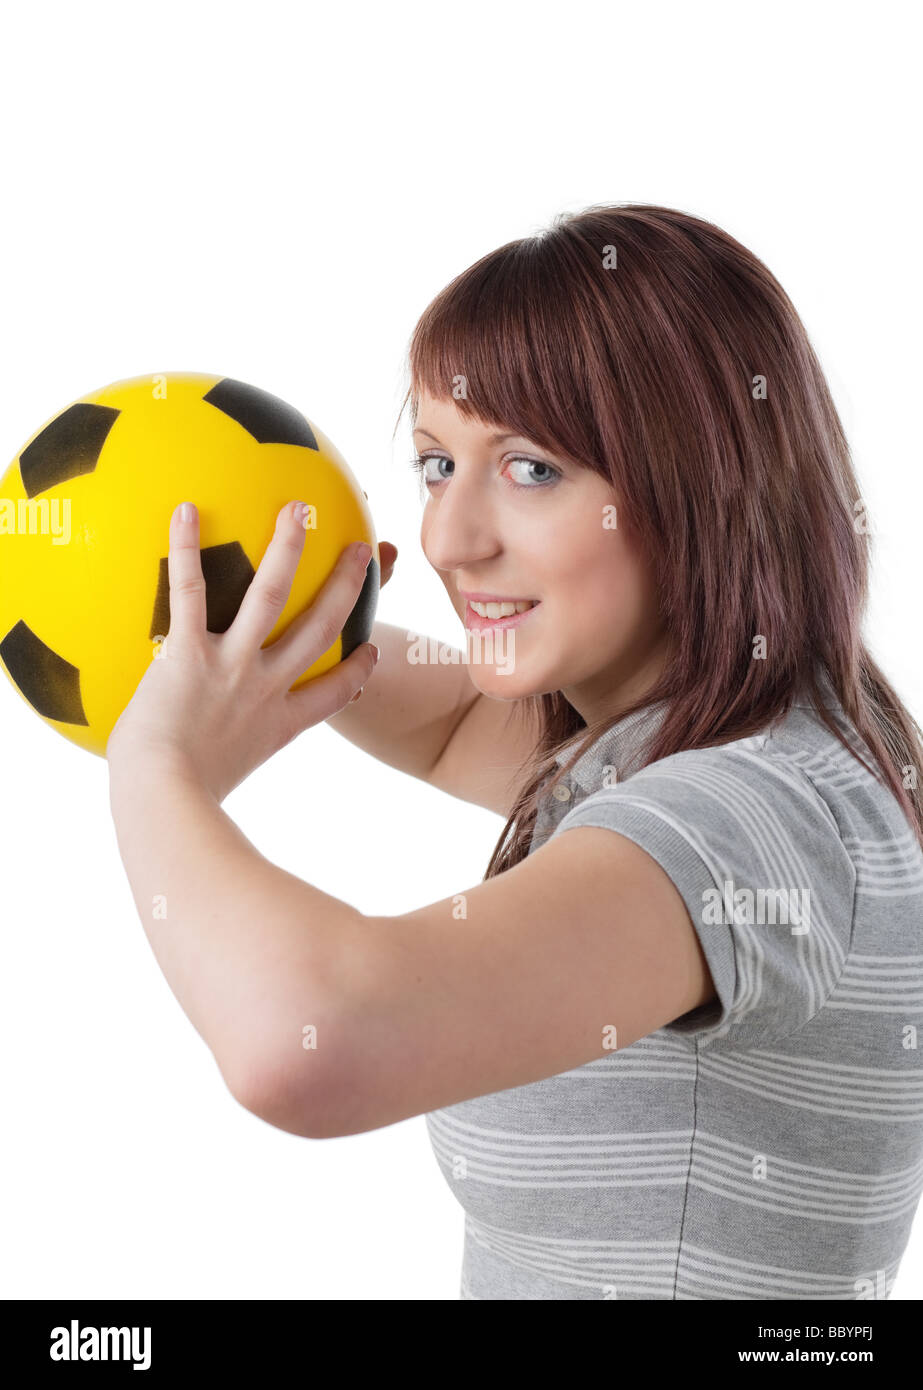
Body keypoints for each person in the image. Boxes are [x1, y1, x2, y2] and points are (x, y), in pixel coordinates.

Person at [107, 203, 923, 1301]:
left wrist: (154, 765)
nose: (447, 540)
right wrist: (267, 614)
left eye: (531, 469)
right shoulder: (759, 734)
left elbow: (305, 1040)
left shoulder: (741, 817)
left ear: (705, 484)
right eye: (438, 463)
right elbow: (444, 719)